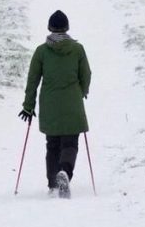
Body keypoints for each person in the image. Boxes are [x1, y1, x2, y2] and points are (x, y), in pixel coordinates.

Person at [19, 10, 91, 198]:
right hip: (72, 104)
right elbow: (86, 75)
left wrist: (28, 106)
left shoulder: (41, 51)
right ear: (67, 28)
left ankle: (53, 184)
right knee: (70, 143)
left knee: (52, 145)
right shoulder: (77, 49)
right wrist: (81, 92)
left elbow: (32, 80)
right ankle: (65, 172)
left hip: (49, 106)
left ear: (50, 28)